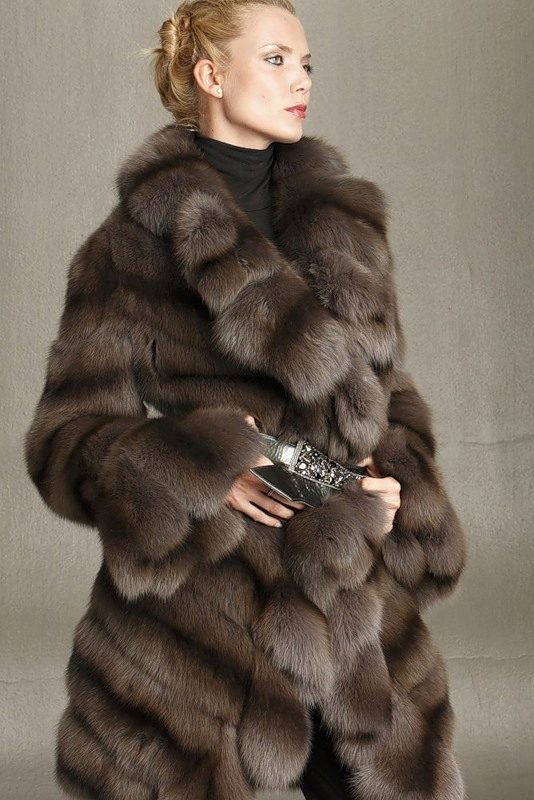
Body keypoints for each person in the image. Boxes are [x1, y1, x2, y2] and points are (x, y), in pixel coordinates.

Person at [24, 1, 467, 798]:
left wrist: (393, 477)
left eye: (307, 65)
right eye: (276, 60)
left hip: (346, 591)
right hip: (209, 608)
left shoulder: (351, 230)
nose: (301, 81)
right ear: (211, 75)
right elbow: (66, 437)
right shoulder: (128, 249)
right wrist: (201, 469)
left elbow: (389, 391)